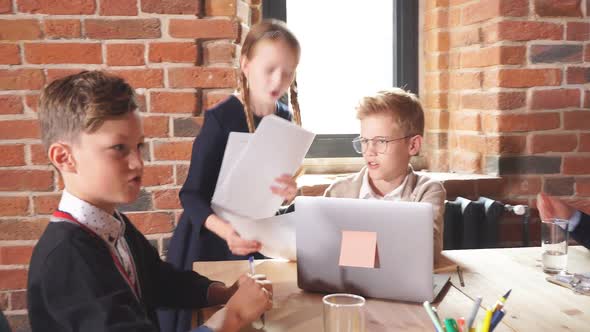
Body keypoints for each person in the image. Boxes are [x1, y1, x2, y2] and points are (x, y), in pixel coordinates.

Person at [27, 71, 272, 332]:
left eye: (139, 147)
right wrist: (232, 317)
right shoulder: (67, 261)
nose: (137, 163)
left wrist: (222, 293)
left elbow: (159, 281)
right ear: (64, 157)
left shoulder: (111, 224)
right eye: (119, 148)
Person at [163, 19, 302, 332]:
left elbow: (270, 188)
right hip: (211, 239)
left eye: (288, 71)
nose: (278, 80)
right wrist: (226, 232)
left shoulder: (285, 116)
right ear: (245, 65)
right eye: (269, 69)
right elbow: (191, 195)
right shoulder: (221, 117)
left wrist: (289, 193)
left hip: (254, 234)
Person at [324, 88, 446, 262]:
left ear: (413, 145)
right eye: (364, 141)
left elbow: (427, 252)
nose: (369, 151)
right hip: (349, 286)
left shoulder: (427, 191)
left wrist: (349, 246)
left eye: (381, 141)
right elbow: (325, 250)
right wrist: (398, 244)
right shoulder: (338, 192)